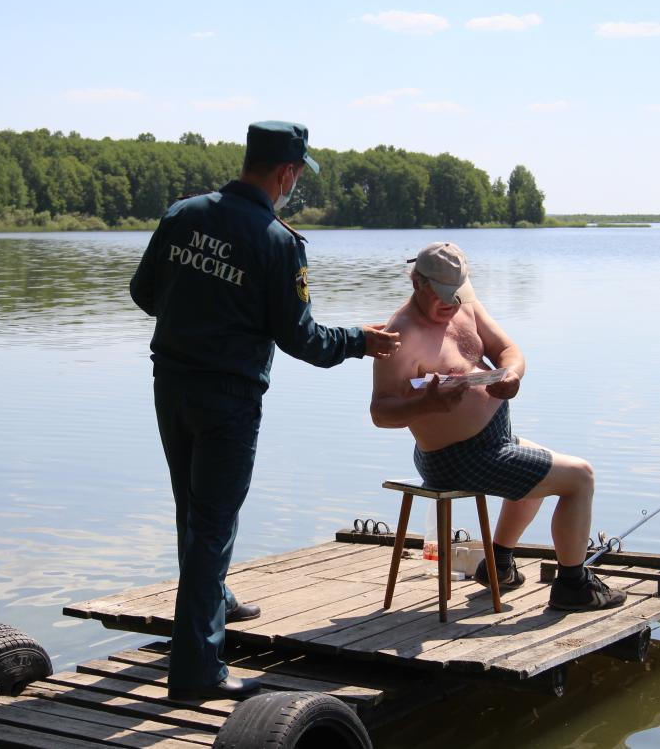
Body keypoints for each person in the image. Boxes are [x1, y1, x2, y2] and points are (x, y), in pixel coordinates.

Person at [129, 120, 401, 701]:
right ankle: (199, 672)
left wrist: (197, 313)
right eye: (298, 173)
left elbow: (144, 294)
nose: (296, 183)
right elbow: (303, 340)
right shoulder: (277, 241)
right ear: (285, 172)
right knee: (213, 522)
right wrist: (361, 340)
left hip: (171, 383)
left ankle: (215, 600)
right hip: (227, 398)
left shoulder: (184, 214)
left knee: (194, 508)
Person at [369, 241, 626, 612]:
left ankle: (499, 565)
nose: (452, 304)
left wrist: (511, 377)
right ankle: (573, 585)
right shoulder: (401, 335)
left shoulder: (465, 307)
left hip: (496, 441)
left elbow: (509, 350)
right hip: (456, 458)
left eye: (458, 294)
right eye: (444, 296)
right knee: (580, 477)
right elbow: (381, 412)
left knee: (541, 470)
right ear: (418, 284)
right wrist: (427, 402)